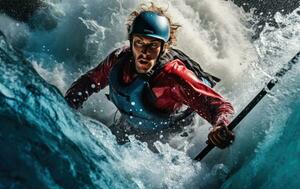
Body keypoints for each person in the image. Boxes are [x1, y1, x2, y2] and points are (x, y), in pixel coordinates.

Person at [65, 3, 235, 151]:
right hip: (133, 125)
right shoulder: (117, 61)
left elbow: (221, 106)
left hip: (173, 136)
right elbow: (89, 81)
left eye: (153, 45)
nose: (144, 53)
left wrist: (220, 126)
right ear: (131, 42)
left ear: (164, 48)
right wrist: (68, 105)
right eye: (139, 43)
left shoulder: (173, 77)